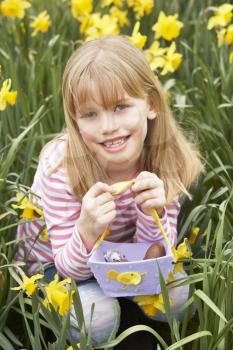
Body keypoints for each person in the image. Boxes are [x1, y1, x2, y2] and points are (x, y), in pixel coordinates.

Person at [15, 35, 205, 345]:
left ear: (151, 105)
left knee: (179, 297)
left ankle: (127, 314)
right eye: (90, 114)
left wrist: (150, 213)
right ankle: (103, 320)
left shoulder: (165, 160)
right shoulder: (61, 168)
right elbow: (69, 267)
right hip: (57, 266)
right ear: (75, 121)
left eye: (120, 107)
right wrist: (87, 230)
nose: (108, 127)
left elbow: (155, 259)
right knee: (97, 319)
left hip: (123, 257)